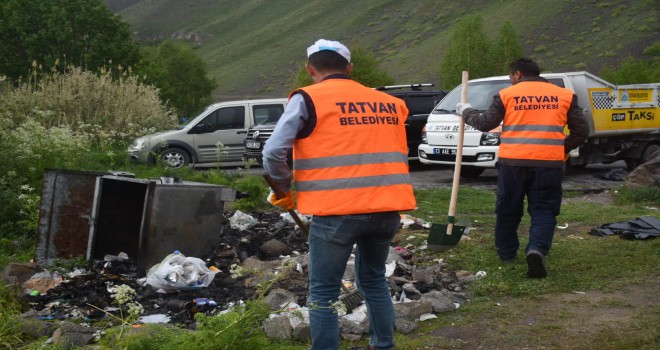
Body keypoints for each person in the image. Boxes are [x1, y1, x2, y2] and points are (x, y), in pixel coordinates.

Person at [262, 39, 416, 350]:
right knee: (373, 282)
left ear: (310, 70)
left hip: (336, 213)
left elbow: (272, 152)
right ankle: (383, 345)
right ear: (349, 69)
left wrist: (281, 189)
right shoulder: (389, 102)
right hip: (386, 210)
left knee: (322, 292)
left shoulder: (308, 98)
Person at [456, 58, 589, 278]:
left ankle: (507, 253)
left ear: (517, 74)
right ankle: (537, 249)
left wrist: (466, 111)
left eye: (510, 77)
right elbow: (581, 131)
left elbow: (485, 123)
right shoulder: (564, 95)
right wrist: (561, 149)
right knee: (544, 209)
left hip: (513, 164)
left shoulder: (507, 95)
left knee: (508, 207)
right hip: (549, 164)